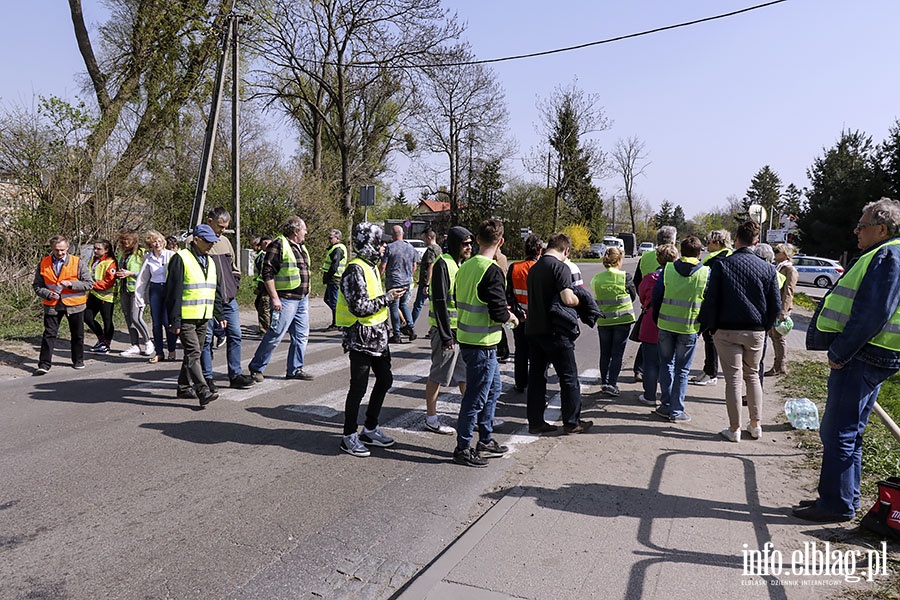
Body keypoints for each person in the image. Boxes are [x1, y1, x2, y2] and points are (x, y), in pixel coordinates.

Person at [794, 198, 900, 522]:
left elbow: (872, 313)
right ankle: (845, 498)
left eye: (862, 225)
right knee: (851, 431)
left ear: (881, 229)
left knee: (837, 431)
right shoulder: (886, 252)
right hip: (874, 354)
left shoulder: (887, 255)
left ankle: (835, 505)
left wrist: (840, 352)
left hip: (863, 354)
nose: (856, 231)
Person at [698, 220, 780, 442]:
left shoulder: (722, 265)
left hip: (726, 330)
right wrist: (765, 326)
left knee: (733, 379)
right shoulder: (768, 268)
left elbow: (711, 299)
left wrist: (711, 327)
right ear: (756, 240)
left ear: (736, 238)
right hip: (755, 331)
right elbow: (776, 305)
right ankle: (756, 425)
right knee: (753, 376)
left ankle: (734, 429)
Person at [336, 222, 406, 457]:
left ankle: (371, 428)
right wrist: (388, 299)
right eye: (380, 241)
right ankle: (348, 436)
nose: (384, 246)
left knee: (385, 380)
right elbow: (359, 307)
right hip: (360, 336)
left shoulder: (371, 266)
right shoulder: (355, 269)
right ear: (369, 243)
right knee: (358, 387)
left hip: (377, 336)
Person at [453, 218, 518, 467]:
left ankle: (485, 438)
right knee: (476, 397)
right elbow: (498, 311)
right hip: (482, 343)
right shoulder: (491, 270)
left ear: (478, 239)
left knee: (493, 390)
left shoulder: (466, 267)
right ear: (500, 242)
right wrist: (511, 317)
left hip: (472, 339)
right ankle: (463, 447)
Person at [526, 232, 593, 435]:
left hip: (534, 329)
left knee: (537, 377)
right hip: (555, 331)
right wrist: (582, 301)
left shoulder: (535, 268)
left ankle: (536, 422)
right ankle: (572, 422)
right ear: (566, 250)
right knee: (569, 376)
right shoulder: (560, 267)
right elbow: (567, 298)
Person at [652, 235, 710, 423]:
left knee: (666, 365)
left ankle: (665, 405)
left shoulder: (668, 269)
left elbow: (657, 297)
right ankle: (676, 411)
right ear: (699, 252)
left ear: (681, 251)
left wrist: (657, 319)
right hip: (689, 327)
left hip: (666, 325)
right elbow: (709, 303)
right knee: (682, 370)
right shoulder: (705, 273)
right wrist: (702, 326)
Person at [248, 216, 313, 381]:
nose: (306, 232)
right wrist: (275, 298)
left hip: (301, 299)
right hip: (285, 299)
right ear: (296, 231)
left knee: (301, 336)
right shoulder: (279, 244)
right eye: (304, 229)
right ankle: (256, 367)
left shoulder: (300, 247)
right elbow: (267, 272)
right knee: (276, 334)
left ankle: (295, 369)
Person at [166, 224, 223, 407]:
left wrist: (219, 314)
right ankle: (202, 389)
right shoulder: (180, 258)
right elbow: (173, 292)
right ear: (196, 240)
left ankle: (183, 387)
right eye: (207, 241)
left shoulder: (210, 261)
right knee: (194, 352)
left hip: (203, 315)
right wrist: (175, 319)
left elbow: (215, 290)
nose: (210, 245)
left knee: (192, 355)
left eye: (213, 241)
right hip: (185, 317)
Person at [199, 207, 256, 391]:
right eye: (220, 226)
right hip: (206, 300)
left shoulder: (225, 242)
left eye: (225, 227)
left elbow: (234, 268)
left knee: (235, 335)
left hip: (228, 299)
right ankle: (207, 378)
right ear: (209, 221)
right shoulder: (198, 241)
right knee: (206, 339)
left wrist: (234, 286)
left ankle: (235, 374)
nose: (222, 230)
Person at [423, 226, 473, 434]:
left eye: (471, 243)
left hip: (459, 332)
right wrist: (445, 335)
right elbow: (441, 301)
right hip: (447, 333)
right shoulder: (444, 264)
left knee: (464, 375)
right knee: (439, 375)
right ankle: (431, 418)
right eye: (465, 244)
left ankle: (470, 414)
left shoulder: (460, 264)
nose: (469, 247)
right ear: (455, 244)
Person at [32, 235, 93, 374]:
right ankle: (44, 364)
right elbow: (37, 285)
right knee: (49, 334)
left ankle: (78, 360)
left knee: (77, 334)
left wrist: (72, 284)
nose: (59, 253)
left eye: (62, 250)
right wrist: (47, 293)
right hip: (52, 304)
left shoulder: (78, 262)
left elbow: (89, 283)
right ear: (52, 249)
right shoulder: (43, 263)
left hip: (75, 304)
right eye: (56, 250)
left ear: (68, 248)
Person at [633, 226, 678, 381]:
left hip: (648, 302)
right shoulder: (674, 257)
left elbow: (637, 280)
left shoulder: (645, 257)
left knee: (647, 340)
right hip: (670, 305)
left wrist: (644, 300)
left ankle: (639, 369)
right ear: (673, 241)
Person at [591, 246, 637, 396]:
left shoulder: (597, 278)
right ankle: (612, 384)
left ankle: (604, 382)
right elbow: (633, 295)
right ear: (618, 260)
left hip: (604, 321)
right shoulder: (625, 277)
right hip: (622, 320)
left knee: (605, 353)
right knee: (617, 354)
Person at [691, 229, 732, 386]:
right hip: (719, 303)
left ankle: (712, 373)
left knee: (710, 338)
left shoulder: (718, 259)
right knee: (709, 338)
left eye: (708, 242)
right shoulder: (725, 255)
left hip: (715, 304)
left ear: (717, 243)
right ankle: (708, 370)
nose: (706, 245)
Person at [507, 233, 543, 393]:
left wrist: (517, 311)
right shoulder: (542, 268)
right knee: (537, 353)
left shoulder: (514, 267)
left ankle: (520, 383)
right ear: (540, 251)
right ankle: (535, 385)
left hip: (519, 318)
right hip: (537, 319)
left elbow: (508, 294)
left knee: (520, 351)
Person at [135, 230, 176, 364]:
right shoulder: (148, 257)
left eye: (159, 241)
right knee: (156, 323)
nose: (157, 244)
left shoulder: (171, 255)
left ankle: (171, 350)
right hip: (155, 289)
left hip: (168, 289)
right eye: (154, 241)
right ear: (150, 244)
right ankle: (159, 352)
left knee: (167, 321)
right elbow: (143, 278)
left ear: (163, 242)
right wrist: (139, 296)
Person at [116, 229, 152, 357]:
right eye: (123, 240)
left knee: (136, 317)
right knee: (128, 318)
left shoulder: (142, 254)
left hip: (138, 290)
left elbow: (146, 273)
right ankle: (134, 344)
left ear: (134, 241)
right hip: (125, 288)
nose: (126, 242)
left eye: (128, 240)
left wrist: (130, 274)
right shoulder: (122, 254)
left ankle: (148, 341)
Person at [380, 225, 419, 343]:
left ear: (392, 235)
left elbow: (383, 265)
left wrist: (378, 275)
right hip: (407, 281)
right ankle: (411, 328)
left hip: (394, 282)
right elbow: (414, 266)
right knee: (404, 305)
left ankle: (396, 334)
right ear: (402, 234)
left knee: (394, 307)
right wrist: (408, 275)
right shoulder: (410, 247)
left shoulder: (390, 248)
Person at [766, 243, 799, 376]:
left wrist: (783, 312)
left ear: (785, 254)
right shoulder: (778, 267)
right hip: (774, 306)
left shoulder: (790, 270)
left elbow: (789, 292)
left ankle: (780, 365)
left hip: (781, 308)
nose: (774, 253)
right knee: (773, 336)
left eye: (777, 251)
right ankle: (777, 365)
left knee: (779, 336)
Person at [84, 239, 117, 354]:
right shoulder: (94, 260)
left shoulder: (110, 262)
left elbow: (109, 282)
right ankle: (101, 339)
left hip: (106, 296)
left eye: (99, 249)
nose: (95, 251)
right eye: (95, 248)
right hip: (93, 294)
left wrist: (92, 285)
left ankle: (106, 344)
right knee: (87, 317)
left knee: (107, 320)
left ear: (106, 250)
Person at [411, 227, 442, 327]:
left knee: (418, 305)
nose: (423, 242)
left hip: (427, 282)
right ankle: (436, 327)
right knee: (435, 306)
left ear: (429, 238)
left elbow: (430, 266)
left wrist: (427, 284)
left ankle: (410, 326)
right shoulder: (439, 249)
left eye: (424, 239)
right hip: (437, 281)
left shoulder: (430, 250)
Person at [321, 229, 347, 331]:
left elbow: (334, 265)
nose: (329, 240)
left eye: (331, 238)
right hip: (333, 278)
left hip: (334, 278)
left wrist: (328, 276)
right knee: (328, 299)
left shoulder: (338, 249)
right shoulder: (335, 248)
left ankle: (337, 323)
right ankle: (338, 321)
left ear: (338, 238)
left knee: (333, 301)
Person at [252, 235, 273, 333]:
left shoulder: (264, 255)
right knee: (260, 305)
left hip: (266, 286)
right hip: (263, 285)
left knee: (264, 307)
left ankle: (266, 329)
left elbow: (264, 274)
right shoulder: (262, 255)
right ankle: (265, 327)